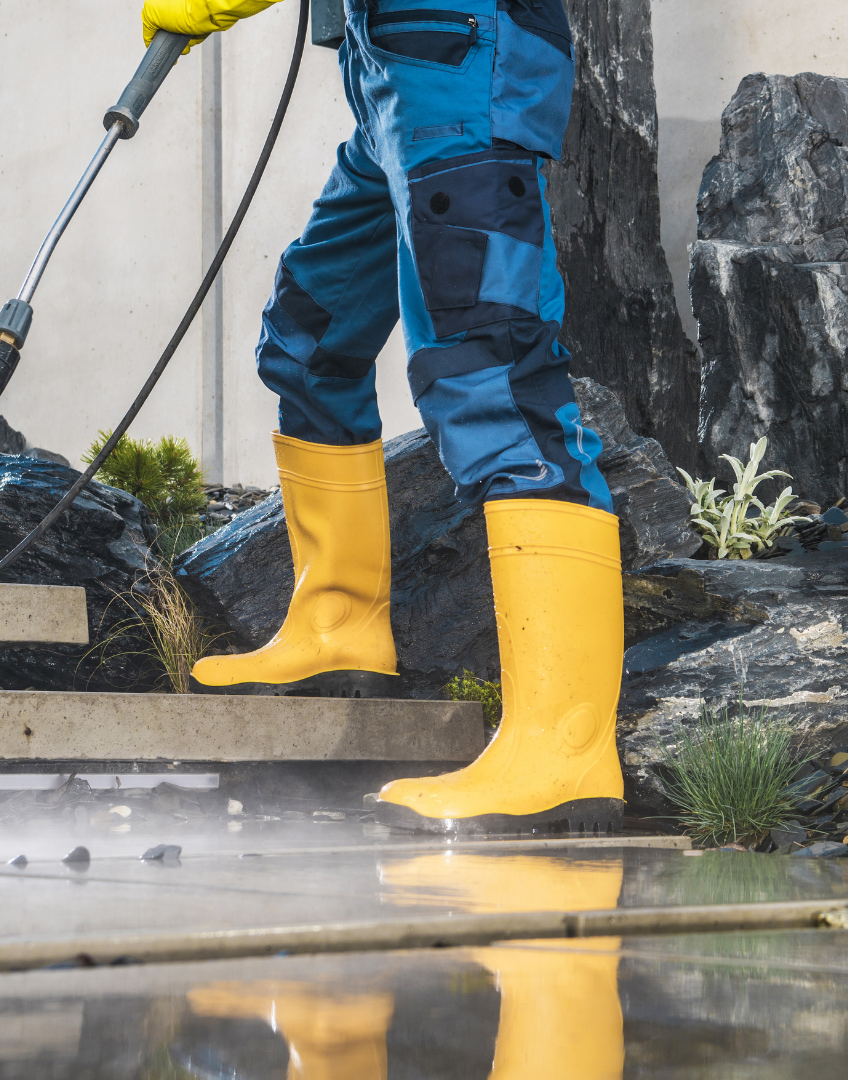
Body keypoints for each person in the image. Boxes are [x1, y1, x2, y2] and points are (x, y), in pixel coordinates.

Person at [140, 0, 624, 834]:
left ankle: (563, 749)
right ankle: (337, 626)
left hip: (462, 65)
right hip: (389, 77)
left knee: (493, 379)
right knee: (308, 339)